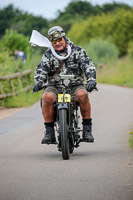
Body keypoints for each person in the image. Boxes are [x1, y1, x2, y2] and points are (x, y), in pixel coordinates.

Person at [33, 26, 97, 144]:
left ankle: (87, 129)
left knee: (83, 95)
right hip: (55, 86)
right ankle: (49, 132)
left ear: (64, 38)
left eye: (59, 40)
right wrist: (39, 82)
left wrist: (91, 79)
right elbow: (41, 70)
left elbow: (88, 64)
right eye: (54, 42)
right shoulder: (48, 55)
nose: (57, 43)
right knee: (46, 97)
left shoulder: (77, 51)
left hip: (75, 85)